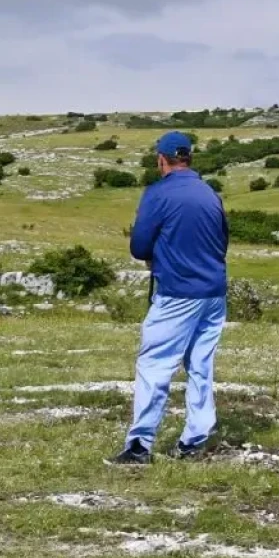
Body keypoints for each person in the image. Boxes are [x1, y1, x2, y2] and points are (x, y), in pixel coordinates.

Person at [111, 131, 229, 465]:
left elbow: (139, 247)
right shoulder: (209, 193)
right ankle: (194, 439)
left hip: (178, 291)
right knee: (200, 366)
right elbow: (222, 241)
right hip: (214, 292)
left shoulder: (159, 193)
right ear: (188, 157)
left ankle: (139, 446)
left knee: (155, 364)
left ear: (161, 159)